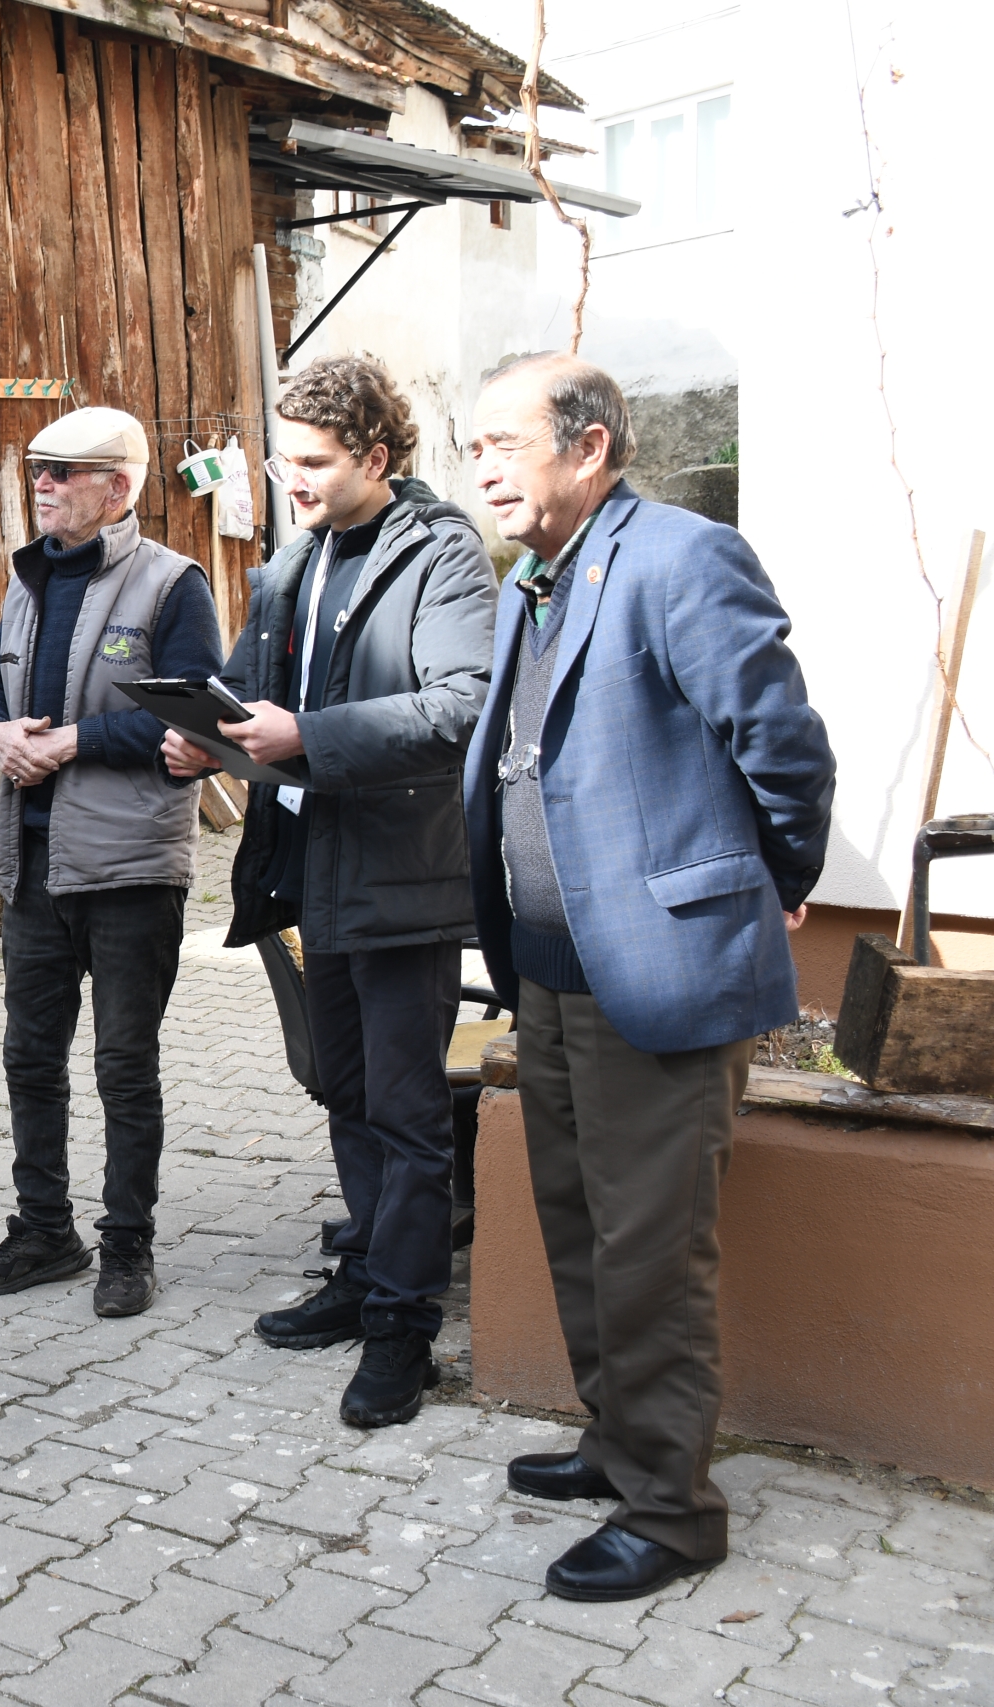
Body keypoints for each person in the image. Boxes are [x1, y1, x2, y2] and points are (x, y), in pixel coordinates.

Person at [460, 354, 832, 1600]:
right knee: (578, 1225)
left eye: (505, 443)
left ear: (590, 446)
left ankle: (674, 1514)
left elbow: (780, 741)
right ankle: (618, 1443)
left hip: (658, 968)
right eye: (474, 449)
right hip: (553, 969)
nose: (485, 469)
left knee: (651, 1251)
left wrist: (772, 881)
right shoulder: (537, 577)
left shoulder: (679, 557)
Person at [164, 355, 497, 1428]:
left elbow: (464, 705)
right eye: (280, 457)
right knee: (344, 1089)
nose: (289, 478)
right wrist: (208, 740)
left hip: (402, 875)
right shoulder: (292, 561)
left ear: (376, 457)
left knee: (408, 1112)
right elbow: (253, 692)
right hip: (311, 871)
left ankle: (403, 1325)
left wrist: (310, 736)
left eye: (311, 462)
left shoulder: (440, 554)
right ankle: (364, 1276)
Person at [0, 405, 225, 1317]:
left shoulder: (172, 585)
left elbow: (195, 715)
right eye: (36, 468)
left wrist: (71, 740)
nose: (41, 483)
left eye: (63, 470)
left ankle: (127, 1246)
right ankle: (44, 1231)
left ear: (119, 488)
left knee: (124, 1063)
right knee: (30, 1056)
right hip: (32, 866)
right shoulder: (26, 580)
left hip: (130, 869)